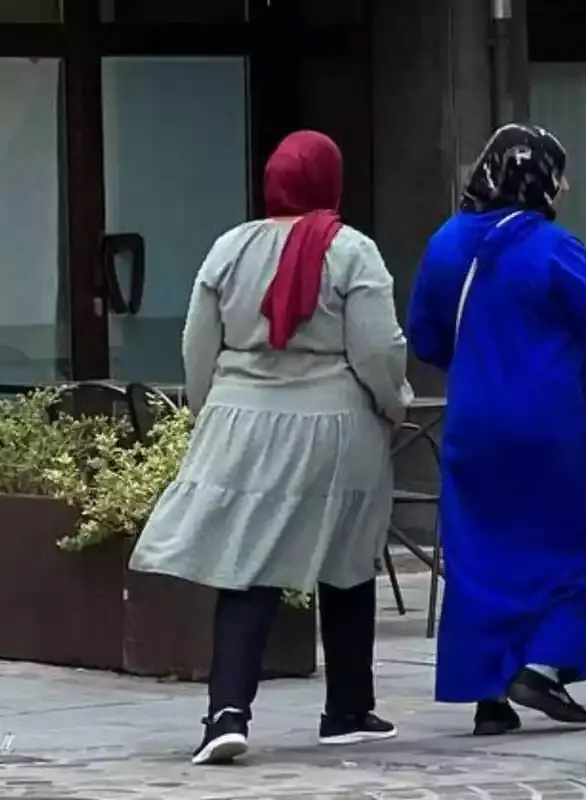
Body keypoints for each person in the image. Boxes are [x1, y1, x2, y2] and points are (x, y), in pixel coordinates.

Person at [129, 130, 413, 764]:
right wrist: (393, 400)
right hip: (335, 424)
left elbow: (197, 343)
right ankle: (346, 709)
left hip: (243, 419)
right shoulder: (352, 251)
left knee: (246, 564)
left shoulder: (230, 247)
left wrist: (209, 405)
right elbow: (378, 348)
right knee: (348, 558)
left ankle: (226, 714)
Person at [406, 123, 586, 737]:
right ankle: (543, 662)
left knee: (480, 557)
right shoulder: (553, 247)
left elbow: (427, 337)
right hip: (553, 424)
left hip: (474, 424)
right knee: (576, 542)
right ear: (539, 179)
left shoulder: (445, 245)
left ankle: (489, 695)